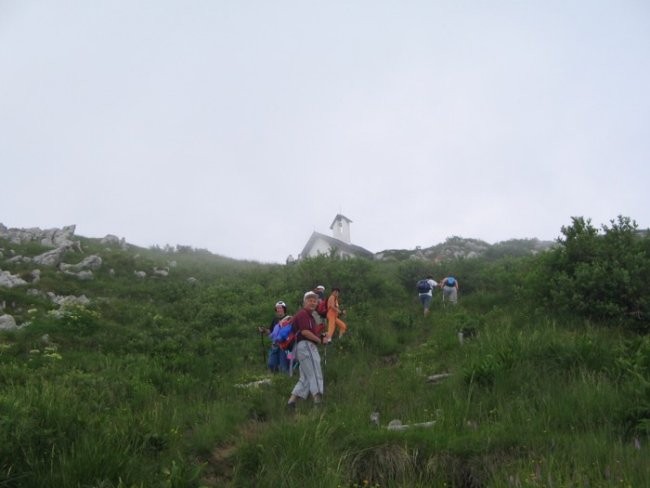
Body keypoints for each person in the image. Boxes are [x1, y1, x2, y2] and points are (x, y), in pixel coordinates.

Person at [287, 291, 326, 410]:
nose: (313, 302)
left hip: (302, 347)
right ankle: (318, 403)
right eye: (310, 300)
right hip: (306, 346)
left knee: (305, 377)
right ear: (304, 302)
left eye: (315, 301)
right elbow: (305, 332)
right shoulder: (303, 314)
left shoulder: (309, 316)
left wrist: (319, 337)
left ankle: (291, 403)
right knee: (315, 371)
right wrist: (320, 340)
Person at [258, 301, 290, 373]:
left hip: (284, 345)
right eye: (277, 308)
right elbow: (271, 331)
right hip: (275, 345)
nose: (278, 310)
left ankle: (285, 379)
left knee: (283, 365)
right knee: (271, 363)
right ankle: (275, 378)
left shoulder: (289, 319)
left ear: (284, 309)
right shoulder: (275, 319)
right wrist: (264, 330)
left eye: (280, 308)